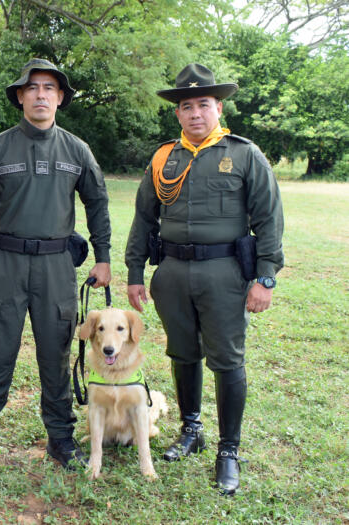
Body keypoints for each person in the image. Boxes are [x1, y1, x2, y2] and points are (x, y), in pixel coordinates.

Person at [125, 63, 284, 495]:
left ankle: (228, 450)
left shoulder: (244, 154)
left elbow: (269, 218)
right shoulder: (163, 158)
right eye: (186, 106)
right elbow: (144, 219)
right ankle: (192, 430)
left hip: (225, 273)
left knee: (227, 359)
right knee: (182, 352)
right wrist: (136, 272)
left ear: (218, 108)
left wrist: (264, 278)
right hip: (172, 273)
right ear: (178, 113)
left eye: (204, 104)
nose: (195, 113)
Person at [0, 58, 112, 471]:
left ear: (60, 97)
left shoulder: (77, 150)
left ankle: (60, 437)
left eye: (49, 88)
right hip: (3, 263)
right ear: (21, 96)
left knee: (57, 354)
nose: (41, 94)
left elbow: (97, 204)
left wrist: (104, 258)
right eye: (33, 88)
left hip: (56, 266)